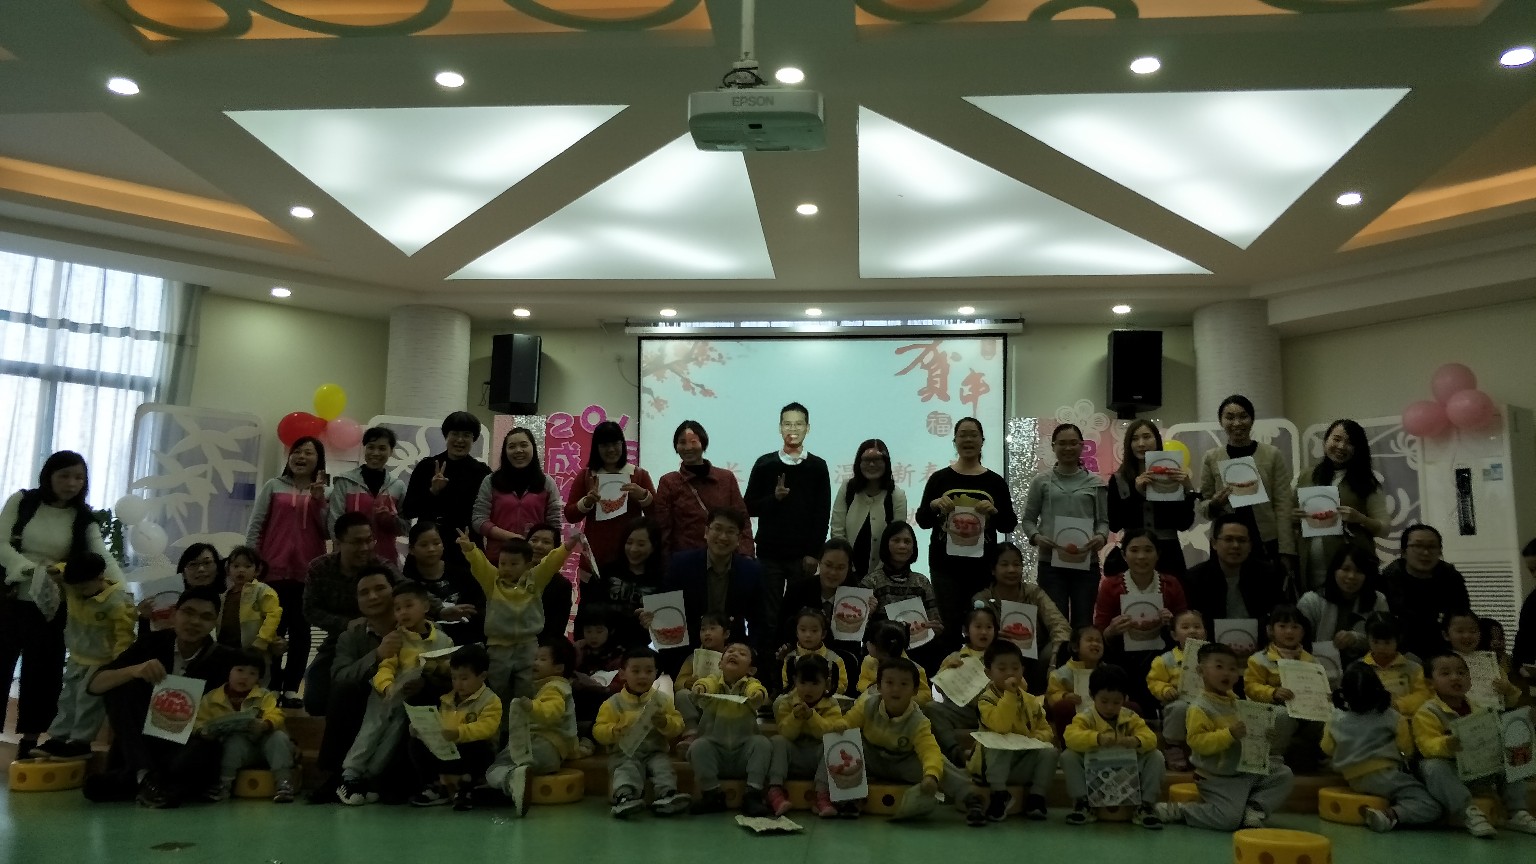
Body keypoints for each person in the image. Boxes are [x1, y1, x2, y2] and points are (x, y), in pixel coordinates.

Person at [0, 451, 122, 760]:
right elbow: (1, 543)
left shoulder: (83, 517)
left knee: (43, 674)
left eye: (79, 477)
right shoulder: (23, 502)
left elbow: (102, 556)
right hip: (10, 598)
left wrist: (124, 592)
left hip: (53, 606)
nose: (71, 483)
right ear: (49, 476)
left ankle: (30, 741)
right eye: (64, 475)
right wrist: (29, 569)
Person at [83, 587, 242, 807]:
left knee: (205, 749)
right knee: (122, 686)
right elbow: (95, 685)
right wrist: (134, 670)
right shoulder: (151, 644)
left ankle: (141, 779)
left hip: (185, 745)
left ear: (215, 623)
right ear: (174, 614)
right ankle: (148, 776)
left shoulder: (226, 659)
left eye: (206, 617)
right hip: (143, 740)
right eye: (188, 612)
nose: (195, 622)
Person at [1153, 642, 1295, 831]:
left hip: (1244, 770)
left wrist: (1262, 735)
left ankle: (1254, 809)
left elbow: (1247, 735)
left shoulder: (1237, 702)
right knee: (1228, 820)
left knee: (1283, 774)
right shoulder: (1199, 707)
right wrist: (1229, 734)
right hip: (1218, 777)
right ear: (1201, 671)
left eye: (1232, 668)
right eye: (1219, 666)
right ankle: (1182, 811)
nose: (1226, 673)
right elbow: (1197, 742)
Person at [337, 581, 455, 806]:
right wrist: (386, 686)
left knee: (392, 739)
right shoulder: (396, 637)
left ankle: (369, 779)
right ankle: (350, 775)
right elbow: (386, 666)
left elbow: (447, 669)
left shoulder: (442, 639)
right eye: (398, 608)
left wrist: (438, 670)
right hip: (386, 694)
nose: (402, 612)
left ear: (425, 606)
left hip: (412, 702)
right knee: (372, 731)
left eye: (408, 606)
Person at [916, 417, 1017, 643]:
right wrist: (934, 505)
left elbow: (1009, 524)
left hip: (982, 567)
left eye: (973, 435)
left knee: (980, 625)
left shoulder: (995, 482)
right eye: (962, 435)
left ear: (982, 441)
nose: (968, 439)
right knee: (949, 627)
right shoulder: (939, 478)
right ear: (954, 441)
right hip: (945, 566)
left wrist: (994, 512)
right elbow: (922, 521)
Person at [1412, 653, 1536, 837]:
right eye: (1445, 673)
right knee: (1432, 766)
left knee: (1512, 754)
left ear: (1470, 680)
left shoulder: (1480, 709)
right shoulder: (1427, 712)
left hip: (1480, 769)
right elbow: (1426, 745)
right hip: (1452, 772)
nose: (1455, 677)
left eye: (1461, 673)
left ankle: (1517, 812)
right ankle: (1468, 813)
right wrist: (1447, 744)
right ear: (1431, 683)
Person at [246, 435, 330, 705]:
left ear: (319, 460)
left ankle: (292, 687)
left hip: (308, 571)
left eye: (308, 453)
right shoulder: (273, 485)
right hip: (272, 568)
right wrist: (252, 563)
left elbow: (328, 531)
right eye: (297, 451)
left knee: (301, 630)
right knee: (273, 628)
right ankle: (272, 684)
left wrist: (318, 501)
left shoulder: (325, 492)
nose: (301, 457)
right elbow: (256, 525)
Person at [842, 657, 977, 820]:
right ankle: (850, 799)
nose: (896, 689)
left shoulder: (919, 721)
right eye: (889, 683)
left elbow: (929, 750)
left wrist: (931, 776)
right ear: (878, 687)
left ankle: (971, 798)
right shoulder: (867, 705)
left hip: (903, 762)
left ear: (914, 690)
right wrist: (833, 725)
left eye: (904, 684)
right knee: (841, 745)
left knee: (939, 763)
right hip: (870, 757)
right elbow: (846, 725)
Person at [306, 566, 398, 803]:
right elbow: (340, 676)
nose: (373, 596)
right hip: (364, 703)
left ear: (394, 591)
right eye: (364, 592)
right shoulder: (351, 635)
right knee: (343, 690)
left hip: (403, 702)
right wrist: (377, 655)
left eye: (380, 588)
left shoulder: (417, 625)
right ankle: (332, 774)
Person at [455, 527, 579, 702]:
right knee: (497, 688)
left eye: (514, 564)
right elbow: (479, 563)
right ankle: (501, 718)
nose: (507, 568)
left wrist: (567, 546)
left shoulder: (535, 580)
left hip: (528, 645)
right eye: (503, 563)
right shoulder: (492, 581)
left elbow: (551, 563)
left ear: (527, 565)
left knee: (527, 688)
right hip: (498, 647)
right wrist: (469, 548)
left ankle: (524, 717)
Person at [745, 402, 832, 649]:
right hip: (769, 554)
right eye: (787, 424)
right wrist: (774, 498)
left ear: (808, 428)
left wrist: (814, 553)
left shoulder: (817, 466)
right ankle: (767, 662)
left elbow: (822, 513)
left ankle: (795, 661)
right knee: (767, 615)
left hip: (802, 557)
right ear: (780, 427)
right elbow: (748, 506)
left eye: (798, 424)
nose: (793, 429)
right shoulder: (765, 464)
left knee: (800, 615)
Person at [36, 552, 136, 759]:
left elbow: (124, 637)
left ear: (100, 577)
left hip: (100, 663)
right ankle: (58, 738)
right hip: (76, 658)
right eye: (76, 586)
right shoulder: (73, 585)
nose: (79, 591)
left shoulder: (117, 602)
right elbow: (63, 569)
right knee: (67, 699)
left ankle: (80, 743)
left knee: (88, 702)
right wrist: (56, 570)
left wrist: (118, 665)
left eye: (84, 587)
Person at [1320, 663, 1439, 833]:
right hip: (1385, 775)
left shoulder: (1335, 717)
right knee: (1430, 805)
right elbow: (1406, 749)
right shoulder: (1392, 717)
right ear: (1377, 688)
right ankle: (1389, 815)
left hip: (1353, 778)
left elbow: (1327, 748)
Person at [302, 512, 400, 715]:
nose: (364, 548)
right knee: (316, 700)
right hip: (339, 640)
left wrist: (442, 609)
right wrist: (345, 624)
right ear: (338, 543)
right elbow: (310, 610)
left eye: (369, 540)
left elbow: (409, 591)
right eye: (357, 542)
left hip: (383, 637)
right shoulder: (319, 568)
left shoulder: (382, 567)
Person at [1022, 423, 1109, 629]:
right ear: (1053, 446)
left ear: (1082, 446)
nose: (1068, 448)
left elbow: (1103, 522)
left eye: (1073, 443)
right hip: (1050, 564)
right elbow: (1028, 520)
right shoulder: (1041, 481)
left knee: (1083, 624)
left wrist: (1101, 537)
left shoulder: (1096, 483)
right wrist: (1036, 537)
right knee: (1056, 625)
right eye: (1062, 443)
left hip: (1086, 564)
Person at [1197, 394, 1295, 571]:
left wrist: (1286, 550)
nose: (1237, 423)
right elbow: (1203, 505)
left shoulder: (1272, 455)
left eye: (1243, 416)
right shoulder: (1212, 457)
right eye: (1229, 417)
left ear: (1252, 420)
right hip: (1226, 541)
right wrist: (1214, 504)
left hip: (1264, 539)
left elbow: (1283, 505)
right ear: (1221, 422)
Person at [1061, 663, 1165, 829]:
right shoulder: (1085, 717)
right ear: (1092, 696)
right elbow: (1070, 737)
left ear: (1125, 699)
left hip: (1126, 770)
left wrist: (1136, 740)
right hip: (1094, 771)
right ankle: (1083, 804)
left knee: (1156, 756)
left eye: (1116, 702)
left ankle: (1146, 806)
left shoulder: (1130, 717)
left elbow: (1151, 738)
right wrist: (1097, 738)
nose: (1110, 707)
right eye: (1104, 701)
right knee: (1068, 756)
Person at [593, 646, 691, 818]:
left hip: (655, 752)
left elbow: (678, 725)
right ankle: (625, 798)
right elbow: (598, 730)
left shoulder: (662, 701)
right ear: (622, 674)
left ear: (656, 673)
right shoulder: (613, 703)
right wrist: (613, 730)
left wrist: (665, 722)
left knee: (662, 767)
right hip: (624, 753)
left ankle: (667, 795)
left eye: (649, 671)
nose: (643, 676)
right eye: (636, 671)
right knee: (626, 768)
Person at [966, 639, 1057, 826]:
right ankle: (999, 796)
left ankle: (1036, 798)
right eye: (1002, 668)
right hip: (991, 768)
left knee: (1050, 752)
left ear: (1022, 670)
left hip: (1020, 763)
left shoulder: (1031, 701)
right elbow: (1001, 726)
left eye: (1015, 668)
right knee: (999, 743)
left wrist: (1037, 738)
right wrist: (1009, 694)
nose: (1010, 673)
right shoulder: (985, 700)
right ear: (989, 673)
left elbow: (1046, 729)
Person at [487, 635, 579, 816]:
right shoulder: (553, 687)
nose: (535, 662)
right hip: (550, 752)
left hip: (542, 746)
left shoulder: (554, 687)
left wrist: (532, 707)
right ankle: (518, 777)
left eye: (542, 659)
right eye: (535, 658)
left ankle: (511, 780)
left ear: (559, 668)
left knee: (494, 769)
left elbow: (552, 711)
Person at [1293, 420, 1389, 591]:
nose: (1341, 446)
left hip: (1351, 572)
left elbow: (1384, 529)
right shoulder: (1305, 476)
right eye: (1336, 439)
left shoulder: (1367, 483)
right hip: (1309, 566)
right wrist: (1294, 516)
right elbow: (1288, 517)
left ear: (1358, 449)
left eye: (1350, 443)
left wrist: (1360, 518)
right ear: (1326, 441)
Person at [408, 644, 502, 812]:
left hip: (472, 751)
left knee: (478, 746)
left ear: (482, 676)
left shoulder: (490, 701)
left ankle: (468, 788)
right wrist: (421, 729)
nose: (458, 684)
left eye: (464, 678)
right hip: (448, 750)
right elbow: (439, 724)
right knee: (416, 744)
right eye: (454, 678)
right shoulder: (447, 699)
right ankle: (436, 786)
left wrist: (459, 733)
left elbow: (487, 728)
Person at [195, 650, 295, 803]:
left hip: (265, 746)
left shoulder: (264, 695)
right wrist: (202, 731)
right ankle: (224, 785)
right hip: (240, 750)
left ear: (258, 679)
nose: (245, 677)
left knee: (278, 738)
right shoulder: (212, 698)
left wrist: (265, 724)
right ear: (228, 671)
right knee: (234, 742)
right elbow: (199, 720)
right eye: (239, 670)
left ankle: (284, 784)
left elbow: (276, 713)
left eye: (252, 673)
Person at [663, 507, 767, 654]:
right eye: (718, 529)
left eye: (730, 531)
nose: (723, 537)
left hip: (732, 651)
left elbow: (759, 620)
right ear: (706, 532)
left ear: (738, 539)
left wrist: (751, 651)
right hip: (687, 649)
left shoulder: (751, 571)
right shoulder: (681, 564)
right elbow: (668, 612)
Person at [688, 642, 776, 816]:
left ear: (751, 670)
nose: (734, 654)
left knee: (762, 744)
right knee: (698, 747)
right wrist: (699, 687)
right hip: (716, 755)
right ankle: (712, 794)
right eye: (730, 651)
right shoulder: (713, 681)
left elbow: (758, 689)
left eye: (742, 654)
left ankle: (753, 794)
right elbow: (706, 683)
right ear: (720, 664)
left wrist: (757, 695)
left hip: (744, 755)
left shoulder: (751, 684)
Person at [971, 542, 1072, 682]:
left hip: (1037, 660)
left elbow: (1059, 624)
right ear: (993, 570)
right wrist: (993, 637)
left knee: (1063, 646)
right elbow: (974, 638)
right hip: (999, 662)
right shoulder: (983, 599)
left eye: (1016, 564)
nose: (1011, 570)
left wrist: (1054, 659)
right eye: (1004, 565)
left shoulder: (1034, 593)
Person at [1107, 419, 1195, 579]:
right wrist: (1137, 493)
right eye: (1135, 439)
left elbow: (1184, 524)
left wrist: (1188, 490)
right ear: (1128, 444)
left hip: (1168, 555)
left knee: (1172, 594)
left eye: (1147, 437)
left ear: (1157, 440)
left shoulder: (1173, 475)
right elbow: (1115, 524)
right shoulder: (1119, 479)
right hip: (1133, 555)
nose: (1141, 443)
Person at [652, 420, 753, 559]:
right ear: (676, 446)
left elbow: (742, 519)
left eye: (693, 442)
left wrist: (746, 555)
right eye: (682, 442)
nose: (688, 447)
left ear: (703, 443)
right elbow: (663, 529)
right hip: (686, 560)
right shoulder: (669, 482)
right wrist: (666, 565)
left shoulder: (726, 478)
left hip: (725, 559)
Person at [402, 411, 492, 565]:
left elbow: (486, 513)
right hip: (430, 546)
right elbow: (408, 511)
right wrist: (433, 491)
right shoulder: (427, 466)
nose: (460, 440)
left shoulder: (482, 472)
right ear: (446, 436)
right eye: (454, 434)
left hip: (465, 547)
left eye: (466, 435)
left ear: (474, 439)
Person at [564, 420, 656, 569]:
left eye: (615, 444)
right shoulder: (586, 476)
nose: (611, 449)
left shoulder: (639, 475)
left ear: (622, 444)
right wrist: (586, 502)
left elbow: (657, 514)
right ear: (597, 448)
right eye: (605, 445)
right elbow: (570, 515)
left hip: (631, 559)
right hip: (595, 560)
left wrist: (644, 496)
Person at [1181, 515, 1291, 637]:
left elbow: (1279, 615)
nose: (1235, 546)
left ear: (1250, 545)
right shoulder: (1195, 578)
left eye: (1242, 540)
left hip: (1260, 641)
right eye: (1228, 539)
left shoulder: (1268, 573)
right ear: (1214, 543)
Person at [1244, 604, 1322, 768]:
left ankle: (1316, 756)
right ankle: (1274, 757)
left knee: (1328, 715)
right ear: (1270, 630)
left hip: (1303, 709)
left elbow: (1319, 687)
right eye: (1282, 626)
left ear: (1303, 632)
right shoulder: (1258, 659)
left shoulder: (1312, 661)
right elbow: (1250, 687)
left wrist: (1323, 697)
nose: (1289, 631)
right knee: (1282, 715)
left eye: (1295, 627)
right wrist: (1272, 692)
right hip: (1269, 708)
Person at [770, 653, 846, 819]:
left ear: (826, 683)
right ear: (795, 681)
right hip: (793, 758)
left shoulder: (832, 704)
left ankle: (822, 796)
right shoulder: (786, 702)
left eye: (815, 683)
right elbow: (786, 734)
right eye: (802, 683)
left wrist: (812, 717)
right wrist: (795, 717)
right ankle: (775, 792)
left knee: (834, 742)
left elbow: (826, 733)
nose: (808, 689)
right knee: (778, 741)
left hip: (817, 760)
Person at [1381, 524, 1469, 663]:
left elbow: (1461, 618)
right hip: (1399, 654)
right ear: (1404, 551)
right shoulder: (1388, 580)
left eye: (1432, 547)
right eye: (1418, 546)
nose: (1426, 552)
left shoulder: (1451, 578)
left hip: (1445, 653)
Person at [473, 427, 562, 563]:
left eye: (524, 445)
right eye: (512, 446)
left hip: (535, 559)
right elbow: (478, 520)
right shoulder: (491, 481)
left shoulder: (546, 482)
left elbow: (554, 525)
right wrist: (513, 537)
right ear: (505, 451)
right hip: (499, 559)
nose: (518, 450)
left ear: (533, 448)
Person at [924, 605, 997, 766]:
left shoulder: (1000, 657)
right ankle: (956, 752)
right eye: (978, 627)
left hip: (991, 711)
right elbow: (939, 688)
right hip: (961, 711)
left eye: (989, 627)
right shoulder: (956, 656)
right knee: (931, 708)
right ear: (966, 630)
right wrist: (948, 670)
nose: (983, 632)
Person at [1297, 545, 1390, 666]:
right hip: (1318, 666)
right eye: (1345, 569)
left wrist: (1356, 639)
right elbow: (1297, 640)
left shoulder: (1378, 600)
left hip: (1368, 668)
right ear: (1334, 570)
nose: (1351, 576)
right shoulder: (1311, 601)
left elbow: (1387, 640)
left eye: (1359, 571)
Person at [329, 425, 410, 564]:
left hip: (385, 558)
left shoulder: (398, 486)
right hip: (350, 557)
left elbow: (405, 528)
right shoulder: (344, 482)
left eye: (382, 448)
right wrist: (340, 551)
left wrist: (391, 519)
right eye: (371, 447)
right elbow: (334, 520)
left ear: (391, 451)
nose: (375, 453)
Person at [832, 438, 908, 581]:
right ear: (858, 463)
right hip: (846, 571)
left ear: (886, 463)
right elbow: (837, 530)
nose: (871, 464)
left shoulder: (896, 495)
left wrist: (877, 574)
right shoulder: (848, 488)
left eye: (877, 460)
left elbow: (896, 539)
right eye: (866, 460)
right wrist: (846, 565)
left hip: (883, 575)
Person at [401, 521, 484, 646]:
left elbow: (478, 609)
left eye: (436, 543)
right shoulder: (407, 582)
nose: (431, 549)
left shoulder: (462, 574)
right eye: (424, 545)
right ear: (411, 549)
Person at [860, 521, 942, 646]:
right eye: (896, 540)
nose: (902, 546)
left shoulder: (922, 582)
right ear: (886, 544)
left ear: (913, 548)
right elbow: (860, 632)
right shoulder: (871, 582)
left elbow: (935, 623)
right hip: (881, 649)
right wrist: (868, 614)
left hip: (919, 649)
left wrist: (935, 628)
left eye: (907, 542)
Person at [1146, 609, 1208, 770]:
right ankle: (1173, 747)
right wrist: (1165, 689)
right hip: (1178, 702)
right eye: (1185, 627)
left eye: (1197, 626)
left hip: (1208, 702)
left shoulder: (1214, 658)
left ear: (1205, 632)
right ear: (1174, 635)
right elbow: (1154, 681)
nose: (1192, 631)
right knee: (1179, 708)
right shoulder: (1165, 660)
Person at [591, 518, 667, 649]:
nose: (633, 549)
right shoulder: (607, 571)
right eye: (629, 543)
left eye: (641, 544)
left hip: (642, 649)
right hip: (603, 646)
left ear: (653, 546)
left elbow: (668, 625)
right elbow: (589, 609)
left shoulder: (663, 579)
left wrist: (655, 623)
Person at [215, 547, 285, 683]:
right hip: (226, 648)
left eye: (247, 566)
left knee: (256, 682)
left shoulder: (262, 590)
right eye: (236, 566)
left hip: (255, 649)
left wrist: (262, 640)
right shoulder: (223, 596)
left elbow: (273, 615)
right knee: (228, 682)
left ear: (257, 570)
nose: (241, 570)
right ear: (228, 570)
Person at [781, 538, 861, 652]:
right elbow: (782, 632)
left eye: (840, 567)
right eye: (828, 565)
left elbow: (853, 646)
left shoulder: (856, 597)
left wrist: (867, 615)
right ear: (819, 562)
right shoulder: (797, 590)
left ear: (849, 568)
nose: (833, 572)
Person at [1443, 609, 1520, 708]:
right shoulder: (1440, 663)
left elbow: (1510, 703)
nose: (1467, 635)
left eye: (1473, 631)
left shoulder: (1490, 663)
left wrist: (1509, 690)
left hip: (1491, 715)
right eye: (1460, 631)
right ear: (1446, 635)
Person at [1361, 612, 1432, 718]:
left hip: (1406, 720)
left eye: (1387, 643)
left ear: (1398, 639)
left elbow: (1424, 695)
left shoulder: (1414, 668)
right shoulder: (1359, 669)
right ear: (1368, 638)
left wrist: (1399, 705)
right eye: (1375, 642)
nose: (1381, 647)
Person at [1045, 625, 1106, 739]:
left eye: (1099, 641)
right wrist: (1064, 696)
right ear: (1075, 647)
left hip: (1105, 714)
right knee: (1063, 707)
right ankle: (1066, 744)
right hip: (1075, 719)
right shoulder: (1061, 674)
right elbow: (1051, 697)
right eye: (1090, 640)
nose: (1095, 644)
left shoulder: (1108, 672)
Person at [777, 607, 852, 698]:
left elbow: (842, 686)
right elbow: (786, 684)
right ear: (796, 632)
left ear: (823, 634)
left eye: (814, 631)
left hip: (827, 702)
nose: (808, 635)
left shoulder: (834, 660)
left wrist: (826, 688)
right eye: (803, 630)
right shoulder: (790, 659)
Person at [855, 618, 931, 704]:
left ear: (880, 647)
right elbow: (862, 682)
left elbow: (926, 695)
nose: (867, 643)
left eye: (870, 641)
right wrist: (873, 688)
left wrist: (901, 697)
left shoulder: (913, 669)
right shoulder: (868, 661)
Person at [1513, 537, 1536, 692]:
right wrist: (1521, 667)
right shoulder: (1532, 602)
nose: (1535, 575)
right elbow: (1522, 642)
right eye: (1532, 570)